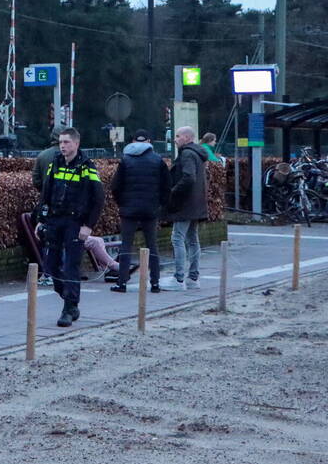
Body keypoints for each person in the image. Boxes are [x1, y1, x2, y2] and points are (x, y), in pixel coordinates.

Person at [36, 127, 104, 327]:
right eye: (61, 142)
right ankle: (68, 297)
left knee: (71, 265)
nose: (63, 146)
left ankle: (68, 308)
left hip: (75, 222)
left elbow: (98, 198)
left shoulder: (86, 166)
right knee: (51, 264)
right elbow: (46, 192)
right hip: (55, 220)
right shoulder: (55, 163)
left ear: (76, 144)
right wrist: (41, 218)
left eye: (66, 142)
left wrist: (88, 226)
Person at [109, 129, 171, 294]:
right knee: (152, 245)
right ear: (149, 142)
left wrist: (122, 203)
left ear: (133, 141)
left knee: (126, 245)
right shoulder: (158, 160)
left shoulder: (125, 160)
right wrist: (159, 205)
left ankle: (122, 282)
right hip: (150, 209)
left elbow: (115, 186)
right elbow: (166, 187)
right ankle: (155, 283)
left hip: (128, 209)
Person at [166, 126, 208, 290]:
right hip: (196, 203)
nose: (175, 139)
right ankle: (193, 277)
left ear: (186, 138)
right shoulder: (198, 154)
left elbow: (188, 177)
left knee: (177, 238)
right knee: (192, 239)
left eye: (178, 136)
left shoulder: (187, 154)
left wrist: (173, 192)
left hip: (185, 204)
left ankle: (178, 279)